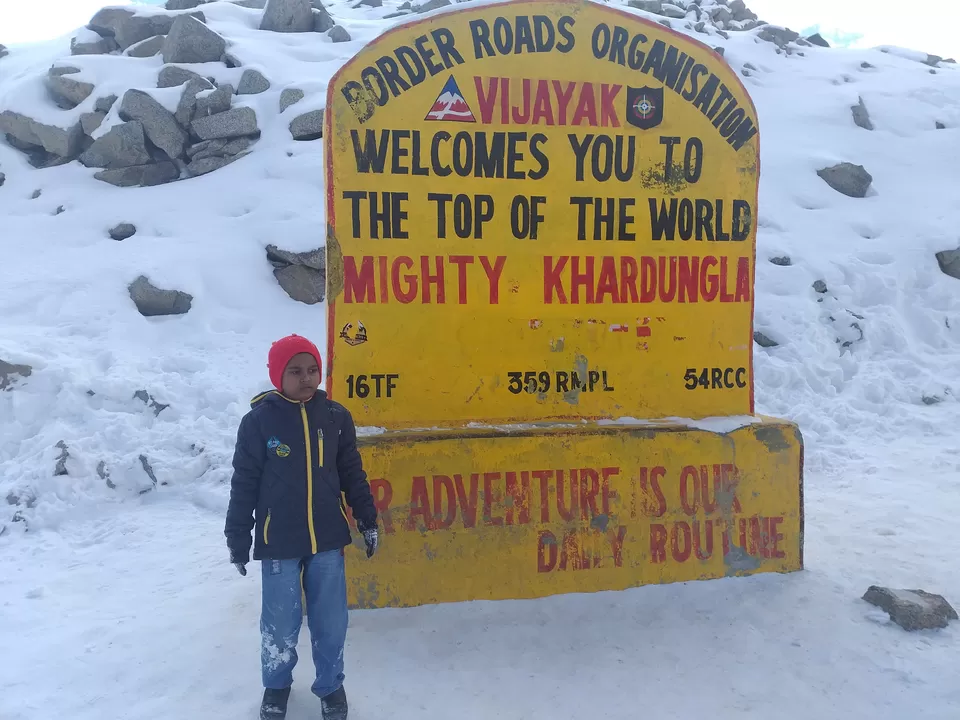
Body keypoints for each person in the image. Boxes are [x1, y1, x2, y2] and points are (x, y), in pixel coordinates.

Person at [224, 334, 379, 720]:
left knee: (330, 619)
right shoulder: (259, 422)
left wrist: (366, 516)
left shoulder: (335, 416)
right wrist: (237, 537)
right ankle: (276, 686)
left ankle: (331, 685)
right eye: (295, 371)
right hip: (279, 540)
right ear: (278, 375)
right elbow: (243, 482)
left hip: (327, 537)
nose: (306, 378)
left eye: (312, 370)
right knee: (280, 621)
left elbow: (351, 473)